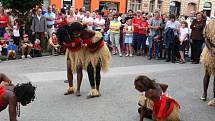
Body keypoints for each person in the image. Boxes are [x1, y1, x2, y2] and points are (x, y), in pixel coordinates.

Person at [81, 28, 111, 98]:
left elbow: (94, 46)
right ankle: (93, 89)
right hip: (89, 54)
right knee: (89, 69)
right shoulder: (82, 37)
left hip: (99, 53)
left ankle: (97, 89)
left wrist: (86, 45)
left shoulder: (98, 36)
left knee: (97, 70)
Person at [57, 22, 84, 96]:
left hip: (79, 52)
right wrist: (64, 44)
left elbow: (79, 42)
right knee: (69, 68)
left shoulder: (81, 33)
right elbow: (64, 41)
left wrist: (81, 43)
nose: (76, 32)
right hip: (70, 52)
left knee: (79, 68)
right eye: (74, 31)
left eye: (77, 31)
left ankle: (78, 89)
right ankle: (70, 88)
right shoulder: (67, 33)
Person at [200, 19, 215, 106]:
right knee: (207, 73)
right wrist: (211, 49)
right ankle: (204, 93)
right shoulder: (210, 24)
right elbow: (206, 38)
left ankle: (214, 96)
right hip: (209, 51)